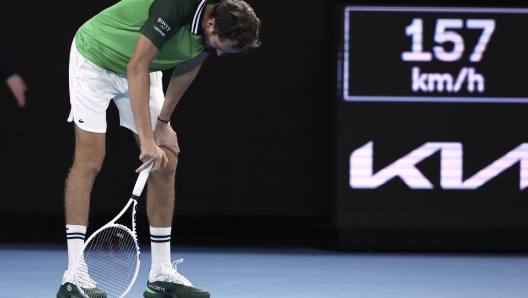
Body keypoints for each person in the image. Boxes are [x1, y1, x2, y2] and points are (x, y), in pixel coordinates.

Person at [57, 0, 261, 297]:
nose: (218, 52)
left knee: (166, 159)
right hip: (96, 58)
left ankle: (161, 273)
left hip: (142, 65)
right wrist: (146, 139)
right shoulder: (176, 7)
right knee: (90, 159)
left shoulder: (216, 24)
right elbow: (136, 66)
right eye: (221, 46)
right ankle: (74, 274)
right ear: (211, 24)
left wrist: (162, 123)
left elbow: (189, 64)